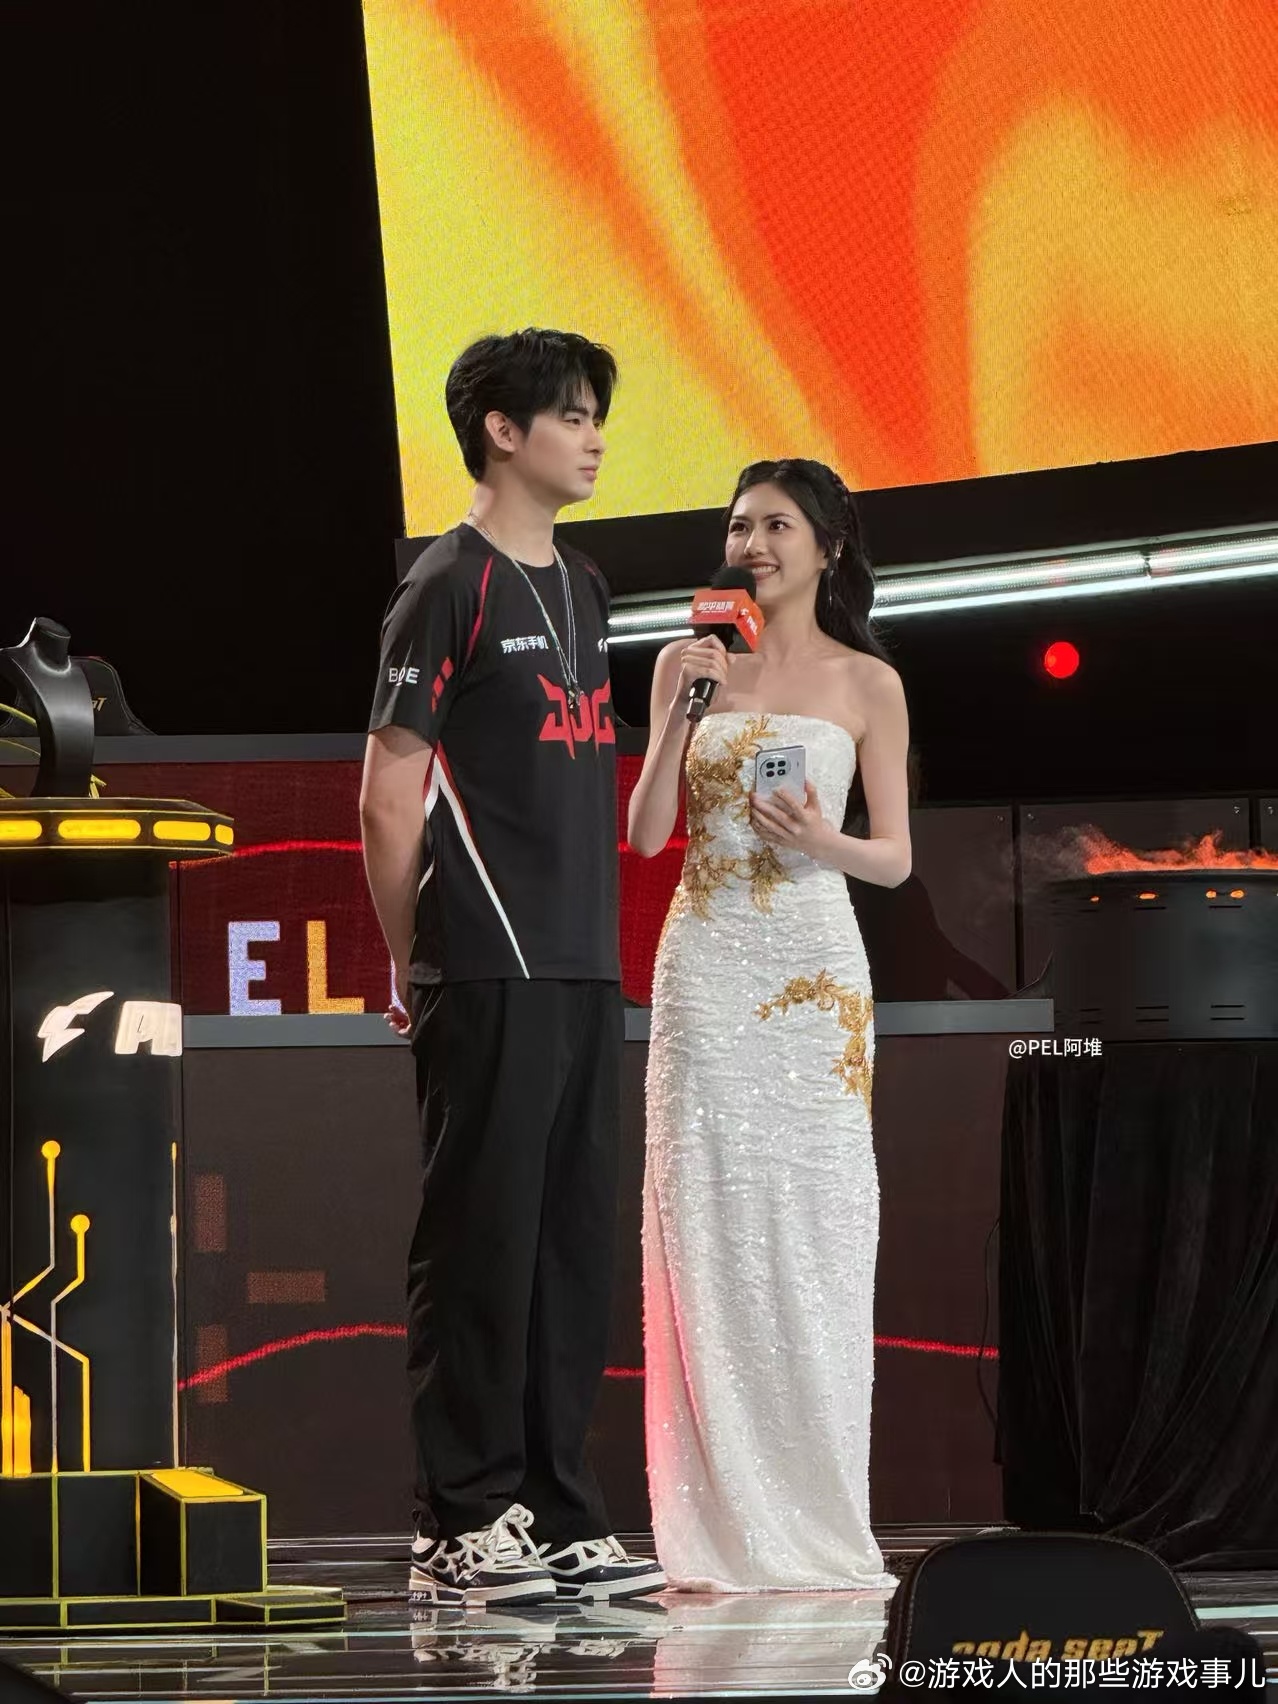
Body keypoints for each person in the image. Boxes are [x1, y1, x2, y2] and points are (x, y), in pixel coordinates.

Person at [360, 328, 664, 1608]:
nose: (595, 436)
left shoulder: (585, 587)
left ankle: (555, 1508)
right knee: (481, 1248)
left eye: (597, 414)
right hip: (483, 964)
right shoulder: (446, 583)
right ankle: (461, 1522)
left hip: (586, 968)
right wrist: (410, 960)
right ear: (502, 429)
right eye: (574, 414)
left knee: (568, 1252)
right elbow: (387, 795)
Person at [628, 457, 912, 1591]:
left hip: (814, 973)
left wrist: (820, 840)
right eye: (741, 525)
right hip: (706, 969)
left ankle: (817, 1513)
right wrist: (678, 715)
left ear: (828, 547)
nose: (753, 544)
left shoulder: (868, 683)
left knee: (817, 1228)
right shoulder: (684, 664)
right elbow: (647, 833)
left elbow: (893, 858)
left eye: (779, 526)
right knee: (709, 1221)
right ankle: (720, 1526)